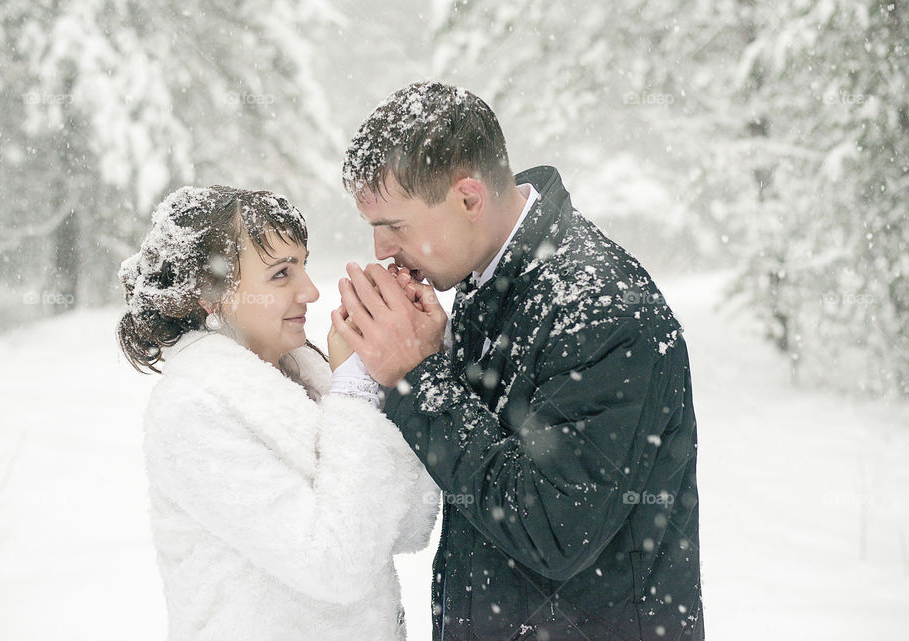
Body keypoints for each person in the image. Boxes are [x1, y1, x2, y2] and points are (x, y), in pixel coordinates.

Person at [333, 82, 704, 640]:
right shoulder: (487, 279)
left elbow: (554, 530)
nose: (381, 250)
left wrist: (417, 374)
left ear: (468, 199)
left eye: (394, 227)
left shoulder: (601, 308)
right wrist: (406, 363)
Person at [116, 185, 439, 641]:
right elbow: (335, 564)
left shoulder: (308, 379)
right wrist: (354, 393)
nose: (310, 290)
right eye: (281, 273)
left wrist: (399, 369)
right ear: (210, 294)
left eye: (303, 265)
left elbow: (410, 524)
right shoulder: (191, 412)